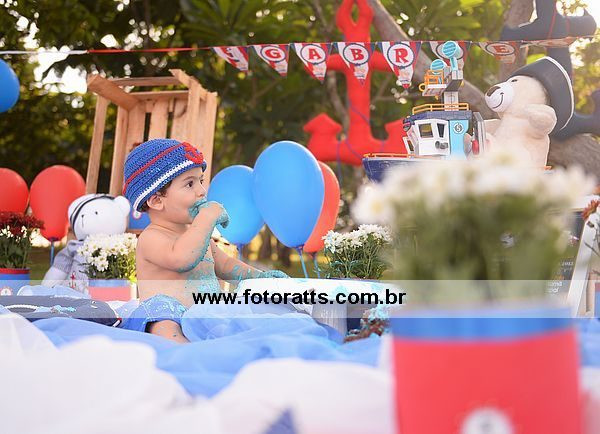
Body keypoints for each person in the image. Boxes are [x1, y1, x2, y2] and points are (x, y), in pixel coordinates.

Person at [122, 138, 287, 342]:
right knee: (158, 314)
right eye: (189, 184)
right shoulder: (151, 238)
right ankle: (181, 349)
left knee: (247, 312)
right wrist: (206, 218)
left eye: (200, 181)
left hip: (208, 319)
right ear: (156, 200)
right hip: (174, 319)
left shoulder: (197, 235)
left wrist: (261, 279)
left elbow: (225, 265)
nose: (201, 191)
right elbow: (182, 259)